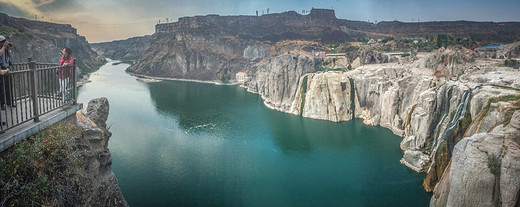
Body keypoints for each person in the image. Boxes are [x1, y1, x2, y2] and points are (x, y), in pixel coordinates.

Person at [0, 35, 13, 110]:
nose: (5, 43)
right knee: (2, 88)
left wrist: (8, 49)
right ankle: (2, 104)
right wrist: (3, 47)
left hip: (7, 68)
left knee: (9, 86)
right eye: (4, 42)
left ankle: (9, 101)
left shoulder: (5, 49)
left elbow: (10, 56)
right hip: (1, 70)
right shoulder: (2, 48)